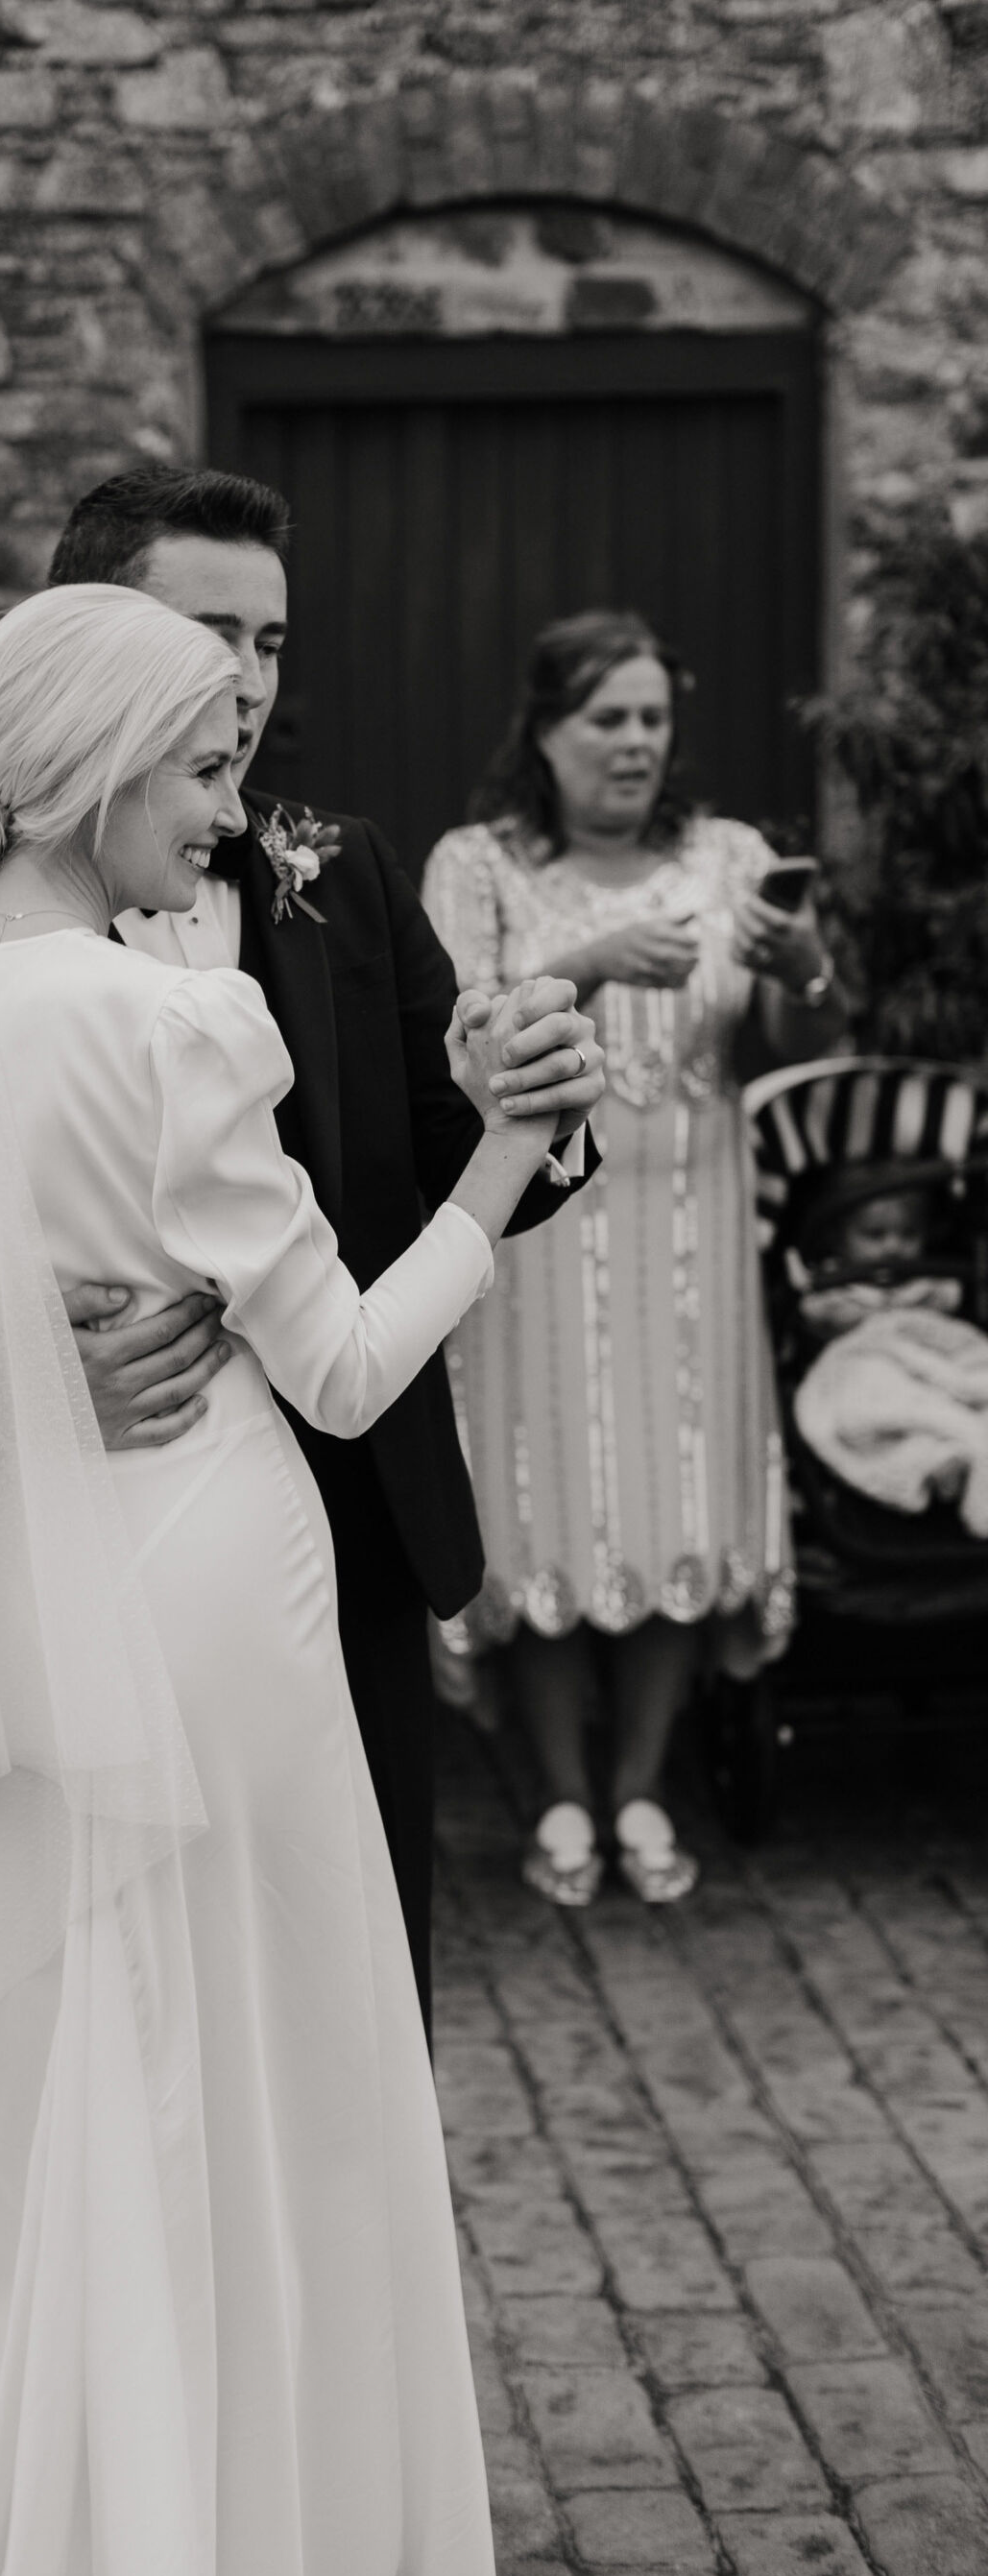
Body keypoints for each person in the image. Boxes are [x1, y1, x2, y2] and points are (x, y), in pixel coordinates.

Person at [0, 583, 581, 2576]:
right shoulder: (170, 1025)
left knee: (73, 2085)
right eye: (203, 766)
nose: (227, 805)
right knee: (256, 2081)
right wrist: (501, 1158)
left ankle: (66, 2508)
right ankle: (240, 2518)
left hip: (21, 1602)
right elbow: (353, 1368)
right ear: (101, 769)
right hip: (211, 1605)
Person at [0, 465, 606, 2030]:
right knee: (99, 2007)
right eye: (211, 637)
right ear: (91, 638)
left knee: (347, 1987)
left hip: (346, 1508)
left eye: (269, 645)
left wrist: (532, 1102)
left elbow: (450, 1155)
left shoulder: (342, 870)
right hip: (76, 1537)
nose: (247, 689)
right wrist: (17, 1382)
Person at [422, 609, 846, 1909]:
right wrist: (592, 961)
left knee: (672, 1500)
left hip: (688, 1234)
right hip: (538, 1238)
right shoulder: (478, 867)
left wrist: (803, 962)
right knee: (544, 1504)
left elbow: (774, 1033)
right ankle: (556, 1794)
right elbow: (460, 1043)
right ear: (544, 732)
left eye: (654, 717)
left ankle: (645, 1786)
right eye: (607, 717)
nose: (635, 742)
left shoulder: (728, 858)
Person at [790, 1170, 988, 1527]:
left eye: (908, 1234)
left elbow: (948, 1314)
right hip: (866, 1365)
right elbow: (814, 1314)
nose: (893, 1247)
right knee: (869, 1398)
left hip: (925, 1364)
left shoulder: (925, 1278)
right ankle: (938, 1460)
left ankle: (960, 1451)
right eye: (874, 1235)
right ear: (839, 1238)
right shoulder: (835, 1282)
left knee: (964, 1386)